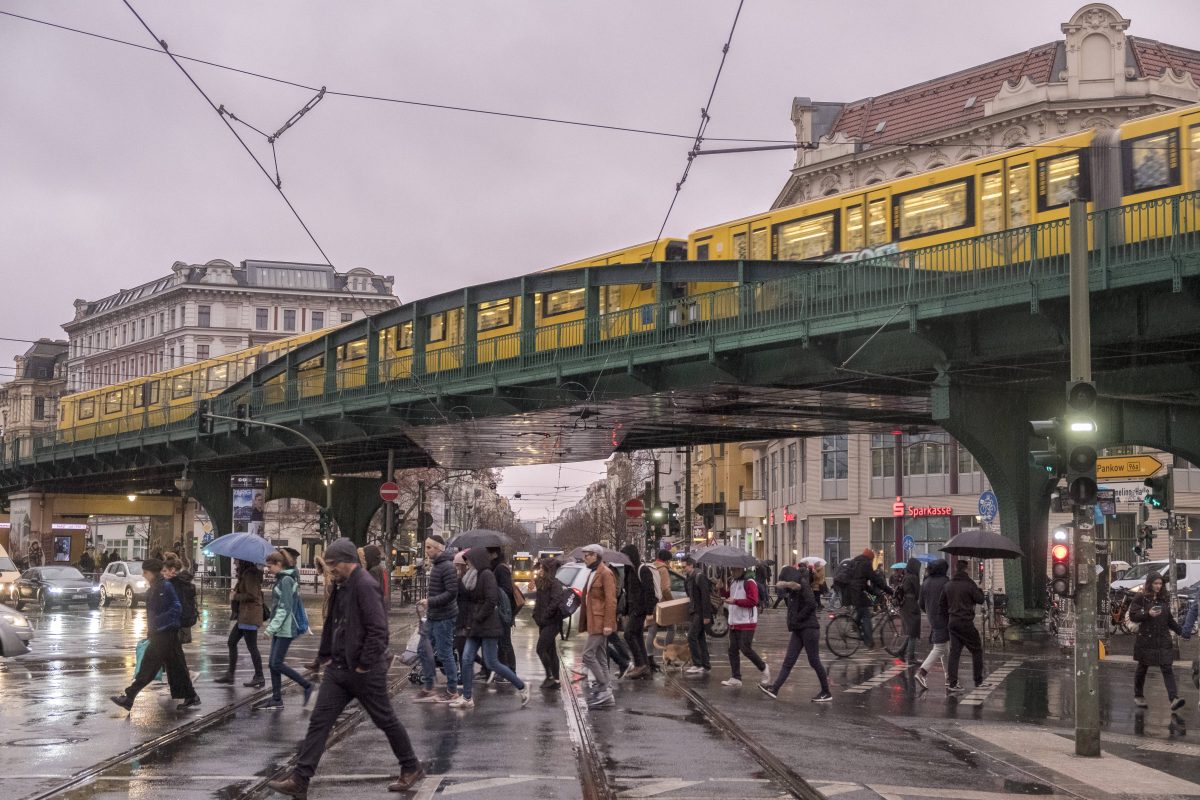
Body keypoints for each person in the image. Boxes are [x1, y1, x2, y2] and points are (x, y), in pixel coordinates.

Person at [269, 539, 423, 797]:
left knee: (385, 719)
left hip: (365, 671)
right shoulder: (342, 585)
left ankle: (411, 766)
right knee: (319, 722)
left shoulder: (365, 585)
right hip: (339, 669)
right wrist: (322, 657)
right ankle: (300, 779)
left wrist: (364, 664)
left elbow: (378, 629)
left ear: (348, 561)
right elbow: (333, 624)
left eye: (333, 564)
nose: (330, 569)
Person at [111, 558, 199, 712]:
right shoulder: (156, 586)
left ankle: (129, 697)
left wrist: (158, 623)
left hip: (164, 633)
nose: (143, 575)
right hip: (163, 633)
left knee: (148, 666)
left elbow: (176, 607)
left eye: (145, 572)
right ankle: (191, 696)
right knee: (177, 666)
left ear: (152, 572)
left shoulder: (164, 586)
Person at [449, 547, 529, 710]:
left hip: (487, 625)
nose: (467, 564)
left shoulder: (486, 575)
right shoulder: (470, 577)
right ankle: (467, 697)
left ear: (477, 560)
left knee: (492, 662)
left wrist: (477, 617)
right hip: (475, 625)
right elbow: (465, 597)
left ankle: (522, 686)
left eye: (469, 560)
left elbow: (491, 600)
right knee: (466, 658)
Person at [759, 564, 830, 702]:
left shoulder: (803, 586)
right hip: (799, 630)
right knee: (788, 661)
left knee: (814, 661)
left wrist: (797, 618)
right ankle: (775, 689)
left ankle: (826, 691)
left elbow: (811, 604)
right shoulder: (792, 591)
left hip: (809, 629)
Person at [256, 549, 314, 711]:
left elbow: (284, 607)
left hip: (287, 628)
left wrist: (270, 629)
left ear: (279, 564)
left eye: (270, 566)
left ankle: (306, 685)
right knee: (273, 664)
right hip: (281, 628)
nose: (268, 569)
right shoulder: (283, 579)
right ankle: (276, 699)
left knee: (276, 663)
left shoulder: (286, 580)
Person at [1129, 571, 1186, 711]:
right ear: (1149, 583)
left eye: (1160, 583)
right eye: (1155, 583)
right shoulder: (1141, 597)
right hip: (1146, 640)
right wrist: (1147, 613)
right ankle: (1138, 695)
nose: (1158, 586)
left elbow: (1169, 620)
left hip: (1162, 639)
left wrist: (1182, 631)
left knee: (1167, 668)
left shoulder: (1163, 598)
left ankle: (1174, 699)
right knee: (1142, 667)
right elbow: (1133, 615)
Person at [413, 534, 460, 703]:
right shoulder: (437, 566)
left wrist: (429, 601)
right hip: (433, 616)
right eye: (426, 547)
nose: (426, 551)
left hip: (444, 617)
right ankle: (429, 687)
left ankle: (452, 691)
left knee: (445, 653)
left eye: (429, 547)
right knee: (422, 649)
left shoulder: (446, 566)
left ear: (439, 548)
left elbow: (451, 593)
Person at [214, 559, 265, 688]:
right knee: (232, 642)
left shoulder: (250, 575)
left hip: (249, 616)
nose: (235, 563)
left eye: (236, 561)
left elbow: (252, 595)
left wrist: (235, 596)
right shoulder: (245, 574)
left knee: (252, 647)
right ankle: (230, 675)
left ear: (243, 561)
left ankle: (259, 676)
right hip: (244, 616)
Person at [578, 544, 618, 707]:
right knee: (601, 656)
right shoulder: (593, 572)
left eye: (587, 555)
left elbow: (611, 600)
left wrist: (609, 623)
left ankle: (603, 686)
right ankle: (606, 692)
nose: (585, 558)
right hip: (594, 620)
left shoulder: (605, 573)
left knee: (588, 654)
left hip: (601, 622)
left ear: (596, 556)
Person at [720, 566, 770, 688]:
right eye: (732, 570)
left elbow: (753, 601)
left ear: (742, 570)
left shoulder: (750, 582)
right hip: (734, 620)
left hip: (747, 621)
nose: (732, 572)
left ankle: (763, 667)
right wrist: (721, 589)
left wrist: (735, 601)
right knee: (732, 650)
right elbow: (729, 595)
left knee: (745, 648)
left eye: (735, 570)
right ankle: (736, 677)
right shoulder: (733, 581)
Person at [941, 560, 985, 692]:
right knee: (976, 650)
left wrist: (950, 613)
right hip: (965, 622)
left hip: (952, 622)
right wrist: (979, 590)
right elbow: (980, 599)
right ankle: (978, 681)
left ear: (956, 569)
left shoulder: (948, 585)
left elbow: (941, 604)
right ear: (966, 569)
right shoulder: (969, 584)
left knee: (954, 653)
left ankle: (953, 683)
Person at [619, 544, 655, 680]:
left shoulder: (642, 570)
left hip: (640, 609)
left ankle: (640, 664)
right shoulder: (629, 570)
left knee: (629, 634)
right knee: (637, 636)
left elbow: (649, 591)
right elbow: (628, 592)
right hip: (633, 608)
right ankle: (644, 665)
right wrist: (626, 610)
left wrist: (649, 611)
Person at [914, 559, 951, 690]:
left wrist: (930, 612)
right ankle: (922, 672)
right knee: (940, 648)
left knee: (945, 648)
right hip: (945, 618)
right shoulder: (946, 582)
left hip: (932, 618)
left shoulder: (925, 583)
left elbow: (921, 604)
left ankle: (949, 677)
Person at [532, 556, 567, 688]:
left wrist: (545, 615)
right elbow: (539, 601)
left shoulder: (555, 584)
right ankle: (556, 680)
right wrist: (536, 614)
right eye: (540, 567)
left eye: (543, 568)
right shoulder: (542, 582)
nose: (540, 570)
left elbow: (555, 602)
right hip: (542, 622)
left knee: (540, 649)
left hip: (552, 623)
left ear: (549, 570)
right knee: (551, 651)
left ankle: (550, 676)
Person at [848, 548, 892, 650]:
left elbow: (862, 583)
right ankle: (869, 642)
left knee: (862, 609)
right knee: (866, 614)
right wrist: (889, 590)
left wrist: (876, 593)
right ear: (870, 558)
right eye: (872, 560)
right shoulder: (865, 563)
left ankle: (855, 624)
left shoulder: (856, 562)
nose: (872, 562)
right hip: (857, 592)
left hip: (853, 591)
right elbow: (874, 579)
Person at [682, 556, 713, 676]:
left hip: (700, 612)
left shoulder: (699, 577)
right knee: (700, 638)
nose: (683, 569)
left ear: (691, 565)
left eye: (684, 566)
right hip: (695, 612)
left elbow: (705, 597)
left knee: (691, 636)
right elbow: (689, 595)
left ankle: (698, 664)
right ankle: (705, 665)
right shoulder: (689, 578)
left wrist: (706, 616)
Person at [645, 549, 675, 672]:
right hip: (663, 604)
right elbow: (665, 589)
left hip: (651, 603)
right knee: (672, 628)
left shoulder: (651, 567)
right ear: (667, 560)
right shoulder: (663, 570)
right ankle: (668, 655)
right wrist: (672, 601)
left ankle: (649, 657)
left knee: (652, 631)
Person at [898, 558, 922, 664]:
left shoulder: (906, 576)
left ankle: (901, 651)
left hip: (905, 605)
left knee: (911, 631)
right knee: (913, 632)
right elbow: (918, 593)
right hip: (911, 605)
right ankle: (911, 657)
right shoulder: (913, 577)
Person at [362, 544, 390, 612]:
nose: (364, 560)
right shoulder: (378, 568)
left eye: (364, 557)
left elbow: (372, 590)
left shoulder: (373, 571)